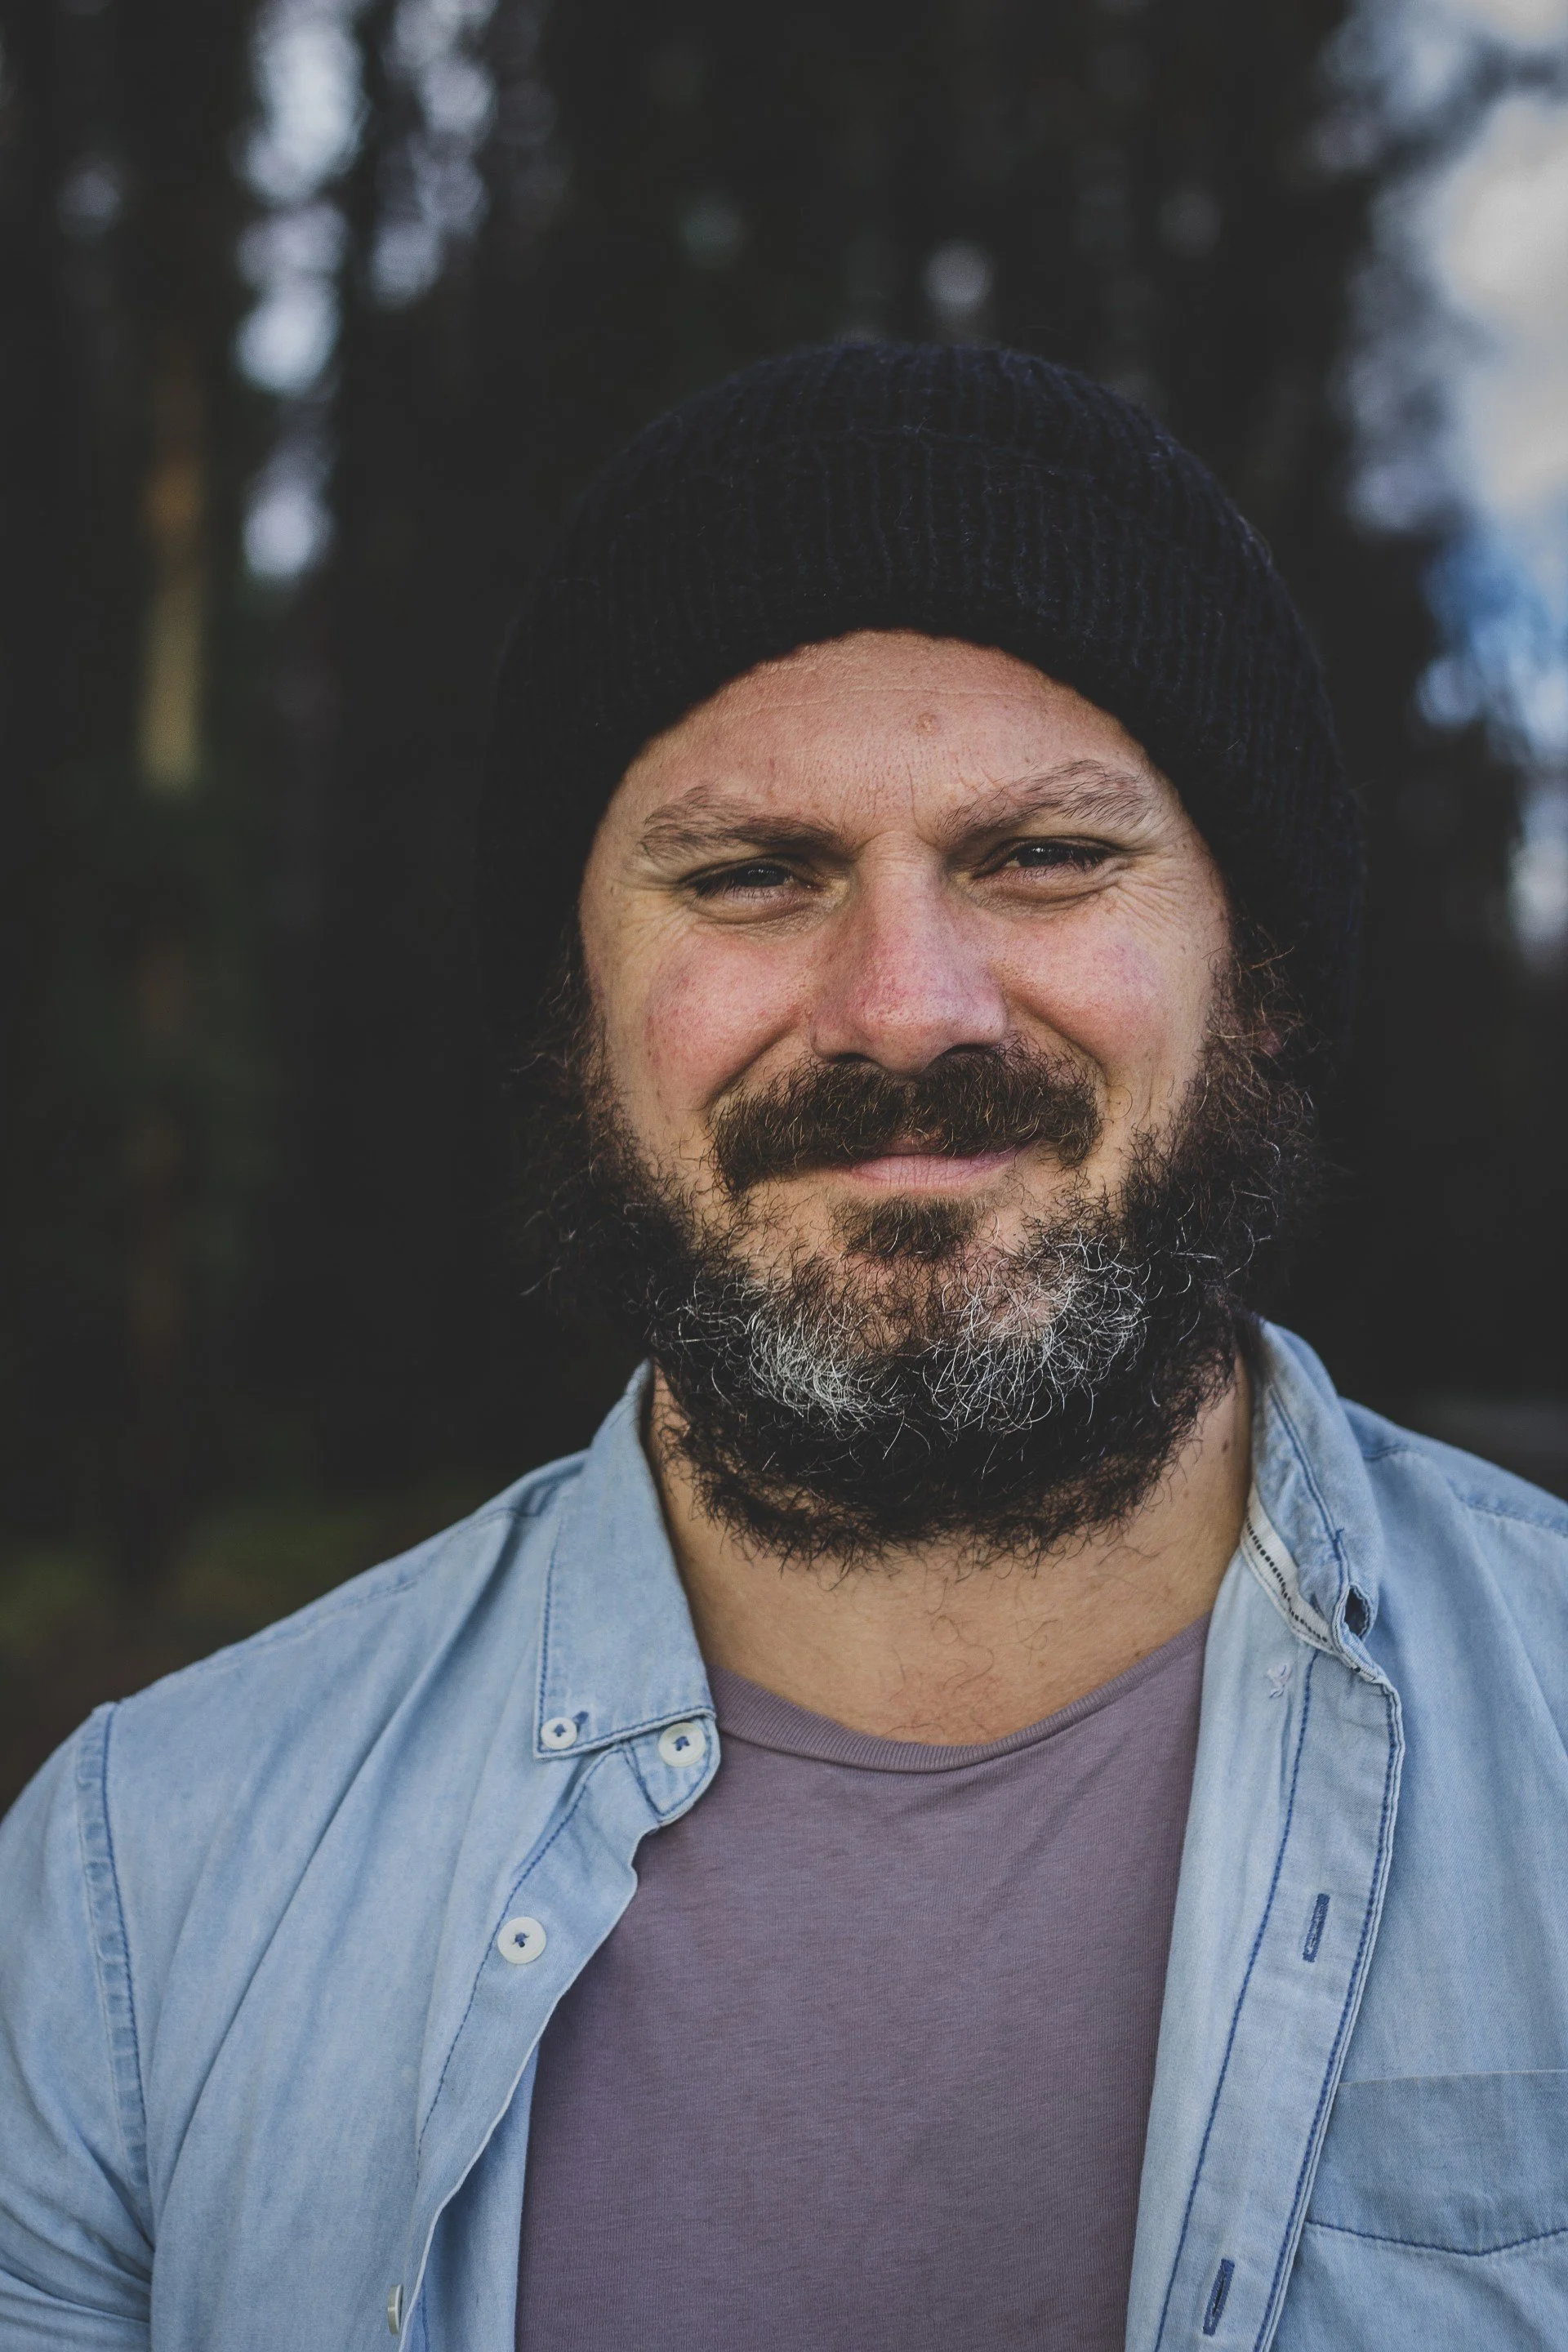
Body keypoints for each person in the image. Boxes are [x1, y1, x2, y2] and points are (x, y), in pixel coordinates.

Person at [2, 345, 1566, 2352]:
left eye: (1044, 857)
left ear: (1258, 977)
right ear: (578, 1010)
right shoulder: (141, 1893)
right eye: (752, 876)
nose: (903, 1009)